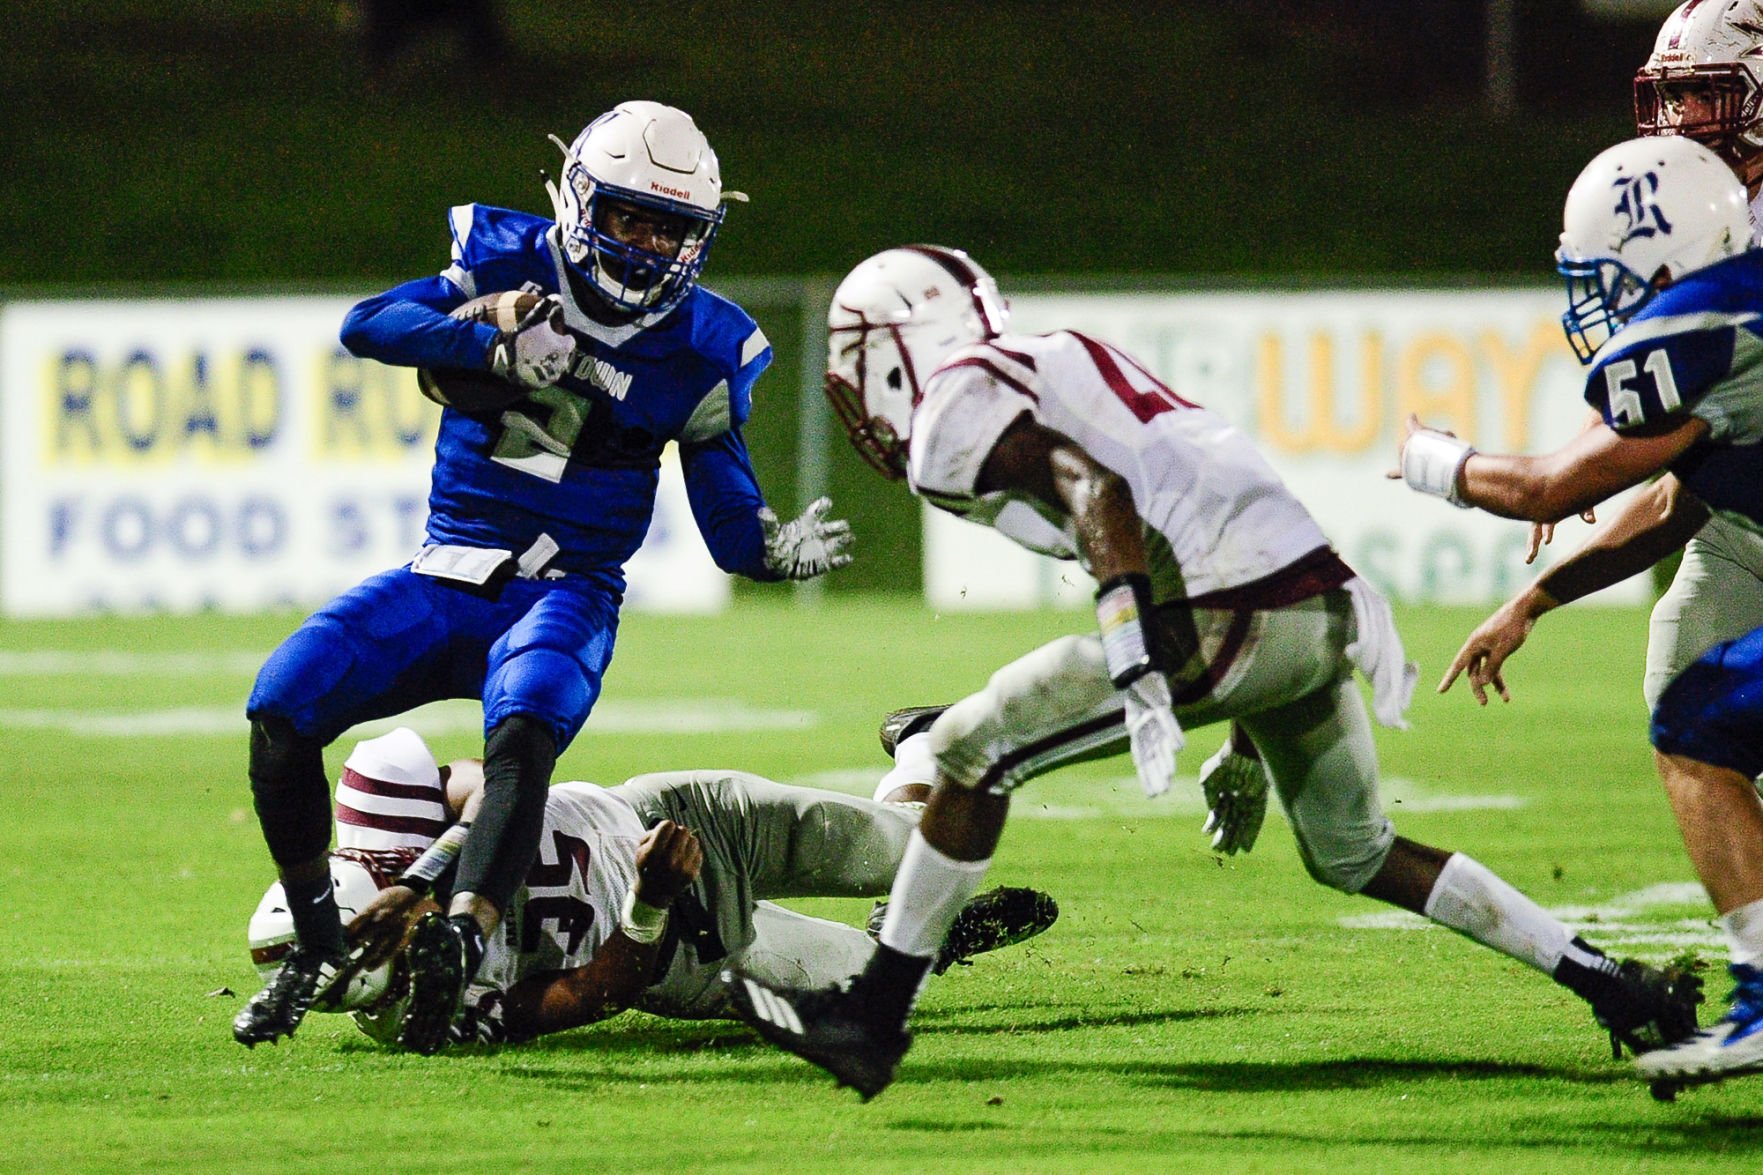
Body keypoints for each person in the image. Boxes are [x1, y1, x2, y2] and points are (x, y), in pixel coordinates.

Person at [721, 244, 1703, 1100]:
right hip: (1315, 604)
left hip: (1224, 615)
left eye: (856, 368)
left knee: (970, 750)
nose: (856, 399)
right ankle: (1614, 983)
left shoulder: (954, 408)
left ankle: (870, 1016)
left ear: (896, 348)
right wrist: (1242, 725)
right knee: (1353, 851)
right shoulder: (1058, 360)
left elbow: (1090, 488)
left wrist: (1130, 649)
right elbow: (1212, 496)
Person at [233, 100, 852, 1053]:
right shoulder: (507, 260)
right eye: (627, 217)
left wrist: (769, 550)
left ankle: (463, 932)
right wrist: (486, 343)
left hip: (568, 586)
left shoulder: (703, 344)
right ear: (577, 204)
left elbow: (728, 517)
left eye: (670, 227)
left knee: (524, 726)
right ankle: (321, 944)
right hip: (448, 571)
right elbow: (370, 324)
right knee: (281, 705)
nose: (647, 246)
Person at [1396, 134, 1763, 1090]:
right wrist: (1537, 598)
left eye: (1606, 275)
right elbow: (1674, 504)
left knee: (1697, 721)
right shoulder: (1742, 305)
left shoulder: (1703, 320)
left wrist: (1440, 461)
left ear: (1667, 261)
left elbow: (1553, 484)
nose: (1594, 300)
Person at [245, 727, 1058, 1048]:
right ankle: (919, 935)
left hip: (672, 815)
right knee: (887, 994)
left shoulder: (384, 801)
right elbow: (592, 990)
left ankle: (917, 753)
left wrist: (437, 875)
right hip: (681, 954)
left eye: (400, 934)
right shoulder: (417, 1020)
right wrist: (649, 901)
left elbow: (507, 785)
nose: (421, 954)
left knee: (924, 847)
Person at [1440, 0, 1763, 715]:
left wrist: (1563, 478)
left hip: (1724, 497)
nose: (1680, 118)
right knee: (1686, 715)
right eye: (1671, 95)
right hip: (1736, 516)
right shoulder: (1696, 208)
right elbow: (1667, 343)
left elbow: (1674, 467)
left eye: (1702, 93)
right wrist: (1584, 452)